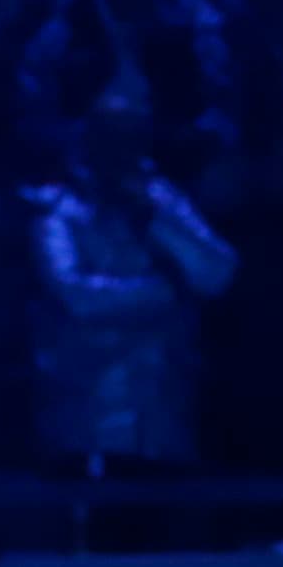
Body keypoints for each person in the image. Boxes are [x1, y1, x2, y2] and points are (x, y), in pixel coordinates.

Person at [23, 93, 237, 471]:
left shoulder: (162, 199)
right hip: (89, 413)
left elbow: (217, 273)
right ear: (89, 140)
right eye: (111, 138)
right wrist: (168, 292)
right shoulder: (58, 208)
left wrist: (154, 219)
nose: (122, 152)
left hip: (164, 413)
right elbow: (78, 298)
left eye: (132, 138)